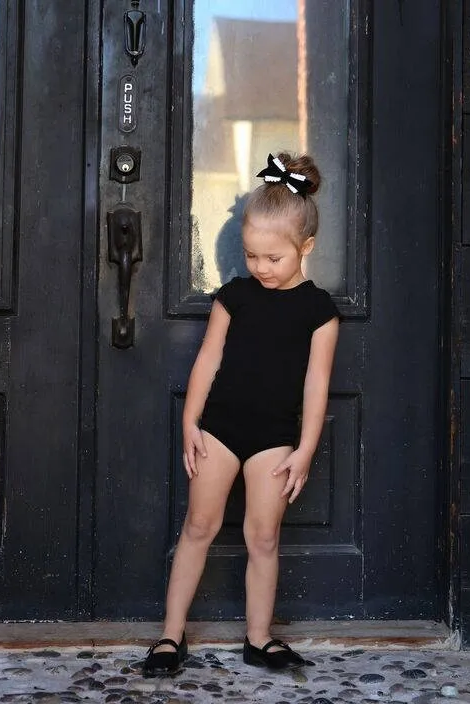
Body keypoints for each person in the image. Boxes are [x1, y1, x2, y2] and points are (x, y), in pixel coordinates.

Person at [143, 152, 340, 676]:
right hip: (220, 432)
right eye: (252, 256)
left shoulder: (319, 312)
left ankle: (259, 637)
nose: (260, 268)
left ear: (306, 249)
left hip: (275, 438)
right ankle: (169, 633)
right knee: (199, 525)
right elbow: (208, 360)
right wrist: (191, 422)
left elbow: (316, 383)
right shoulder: (234, 297)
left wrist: (305, 449)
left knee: (264, 537)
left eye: (273, 258)